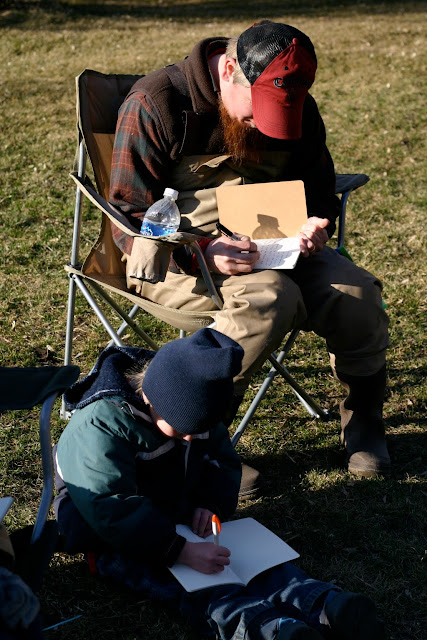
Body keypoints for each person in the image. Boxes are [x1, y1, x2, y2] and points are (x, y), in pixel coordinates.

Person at [108, 20, 391, 483]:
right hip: (178, 260)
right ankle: (199, 442)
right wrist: (202, 251)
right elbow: (127, 216)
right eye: (258, 113)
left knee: (356, 293)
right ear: (228, 70)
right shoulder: (157, 103)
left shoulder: (298, 104)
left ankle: (364, 422)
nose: (265, 126)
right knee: (268, 297)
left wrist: (317, 222)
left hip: (283, 249)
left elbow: (320, 191)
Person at [54, 329, 385, 640]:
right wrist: (179, 551)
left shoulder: (198, 410)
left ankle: (321, 603)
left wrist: (210, 502)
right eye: (181, 430)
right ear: (151, 398)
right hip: (111, 539)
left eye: (200, 430)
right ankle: (265, 626)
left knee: (251, 564)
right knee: (198, 586)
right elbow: (110, 506)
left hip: (177, 519)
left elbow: (222, 462)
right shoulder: (100, 426)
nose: (190, 439)